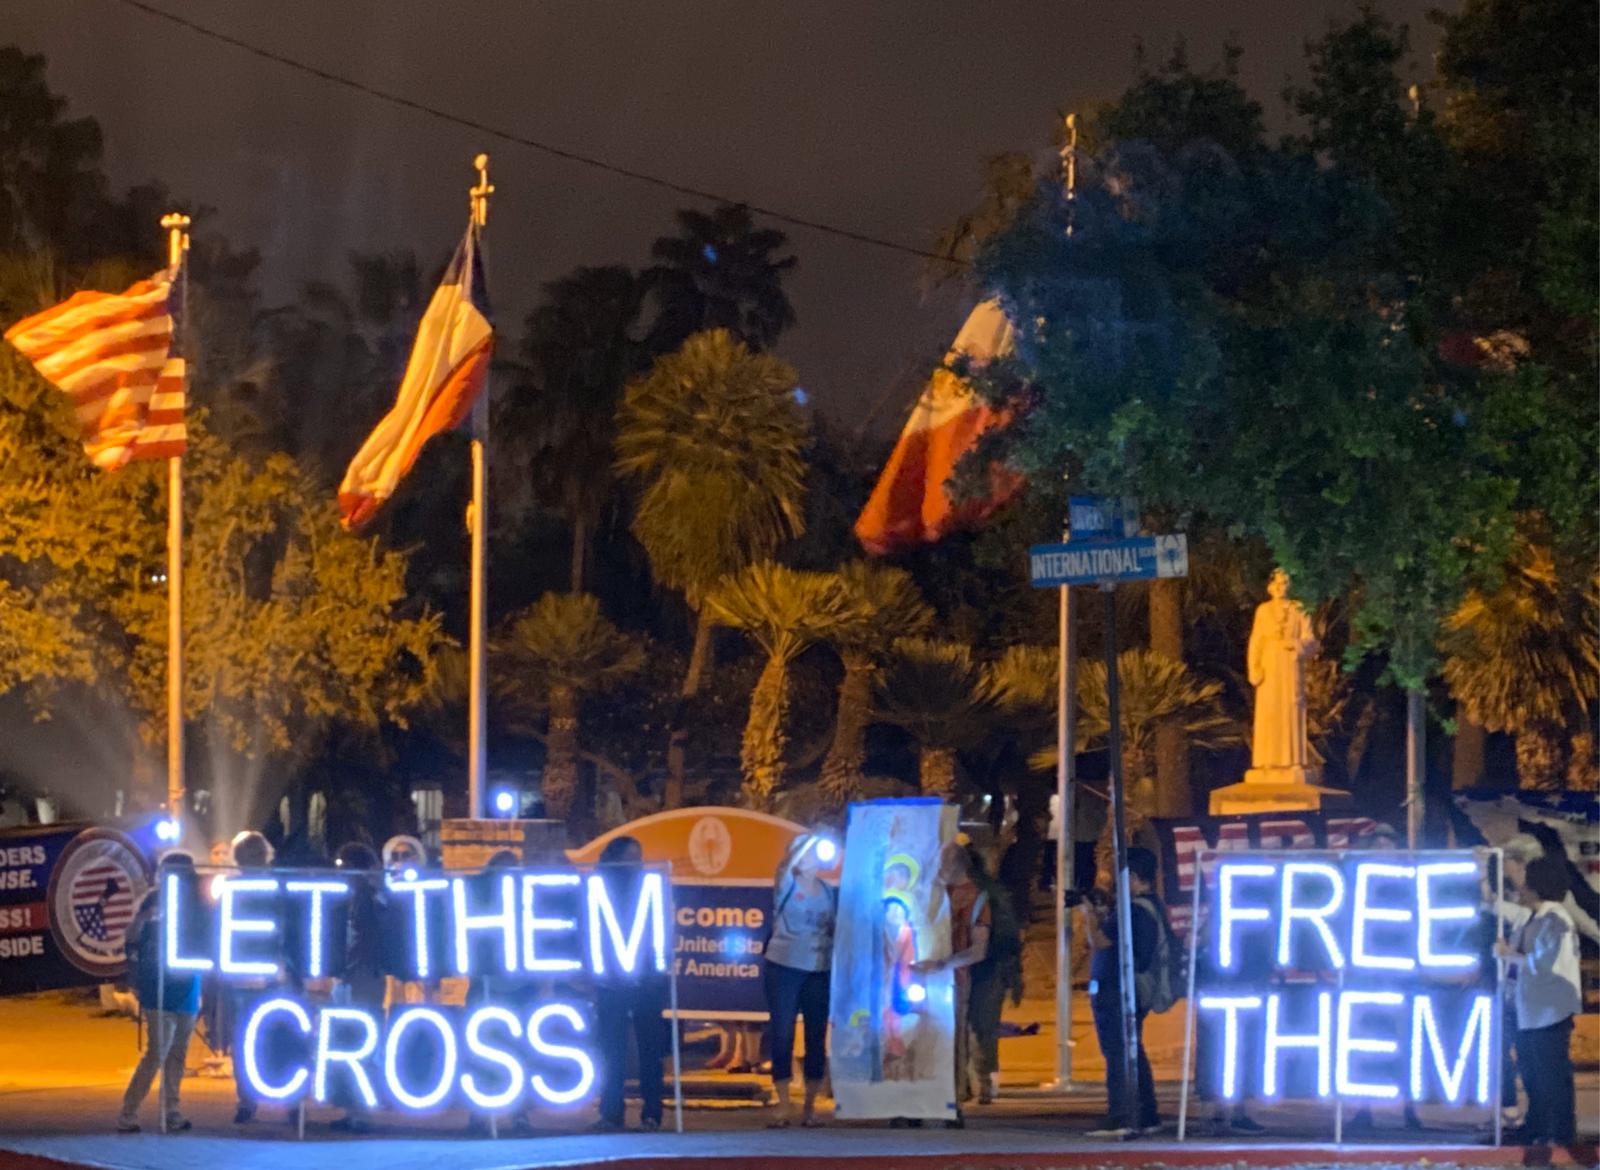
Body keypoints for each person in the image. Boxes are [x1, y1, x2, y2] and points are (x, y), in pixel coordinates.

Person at [1496, 855, 1581, 1147]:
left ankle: (1560, 1132)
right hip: (1531, 1008)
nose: (1520, 883)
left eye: (1524, 876)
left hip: (1549, 1009)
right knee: (1533, 1072)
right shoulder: (1536, 917)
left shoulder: (1555, 919)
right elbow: (1497, 907)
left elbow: (1546, 964)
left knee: (1550, 1073)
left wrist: (1510, 955)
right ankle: (1539, 1126)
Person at [1080, 846, 1163, 1138]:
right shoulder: (1152, 906)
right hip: (1134, 989)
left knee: (1117, 1052)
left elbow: (1099, 941)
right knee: (1132, 1049)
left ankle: (1121, 1116)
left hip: (1116, 990)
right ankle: (1147, 1113)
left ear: (1135, 877)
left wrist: (1088, 914)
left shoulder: (1132, 910)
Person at [117, 852, 203, 1134]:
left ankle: (172, 1111)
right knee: (157, 1053)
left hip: (187, 987)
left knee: (178, 1055)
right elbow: (131, 938)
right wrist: (145, 917)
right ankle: (128, 1112)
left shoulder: (197, 902)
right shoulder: (153, 901)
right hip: (158, 988)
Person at [762, 833, 839, 1127]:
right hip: (784, 966)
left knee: (816, 1035)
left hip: (818, 968)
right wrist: (810, 839)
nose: (812, 855)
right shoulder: (787, 883)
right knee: (782, 1033)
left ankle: (809, 1106)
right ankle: (783, 1104)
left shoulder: (827, 890)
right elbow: (784, 867)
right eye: (806, 851)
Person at [593, 835, 667, 1132]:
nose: (636, 862)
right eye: (630, 856)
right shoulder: (599, 888)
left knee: (650, 1051)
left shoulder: (649, 888)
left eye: (639, 856)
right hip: (613, 982)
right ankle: (612, 1111)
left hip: (645, 983)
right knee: (613, 1051)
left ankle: (652, 1113)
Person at [913, 842, 990, 1125]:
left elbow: (978, 950)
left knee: (951, 1041)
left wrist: (942, 965)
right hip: (925, 976)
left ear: (955, 866)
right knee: (919, 1037)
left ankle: (951, 1102)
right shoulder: (936, 894)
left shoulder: (976, 899)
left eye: (942, 864)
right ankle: (917, 1102)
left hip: (954, 980)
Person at [330, 841, 385, 1133]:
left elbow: (367, 938)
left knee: (360, 1040)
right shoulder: (355, 898)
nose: (339, 872)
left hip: (362, 976)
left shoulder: (370, 898)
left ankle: (361, 1111)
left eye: (343, 866)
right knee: (348, 1041)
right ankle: (353, 1109)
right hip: (352, 975)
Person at [224, 831, 276, 1124]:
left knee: (245, 1041)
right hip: (259, 976)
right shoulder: (275, 888)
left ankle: (248, 1100)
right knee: (269, 1037)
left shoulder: (233, 889)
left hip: (248, 976)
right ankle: (282, 1100)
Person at [965, 847, 1023, 1106]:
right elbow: (1012, 937)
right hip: (990, 969)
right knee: (984, 1028)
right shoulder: (994, 892)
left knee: (977, 1027)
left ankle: (980, 1082)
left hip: (983, 968)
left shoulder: (979, 894)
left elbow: (1006, 936)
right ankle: (984, 1082)